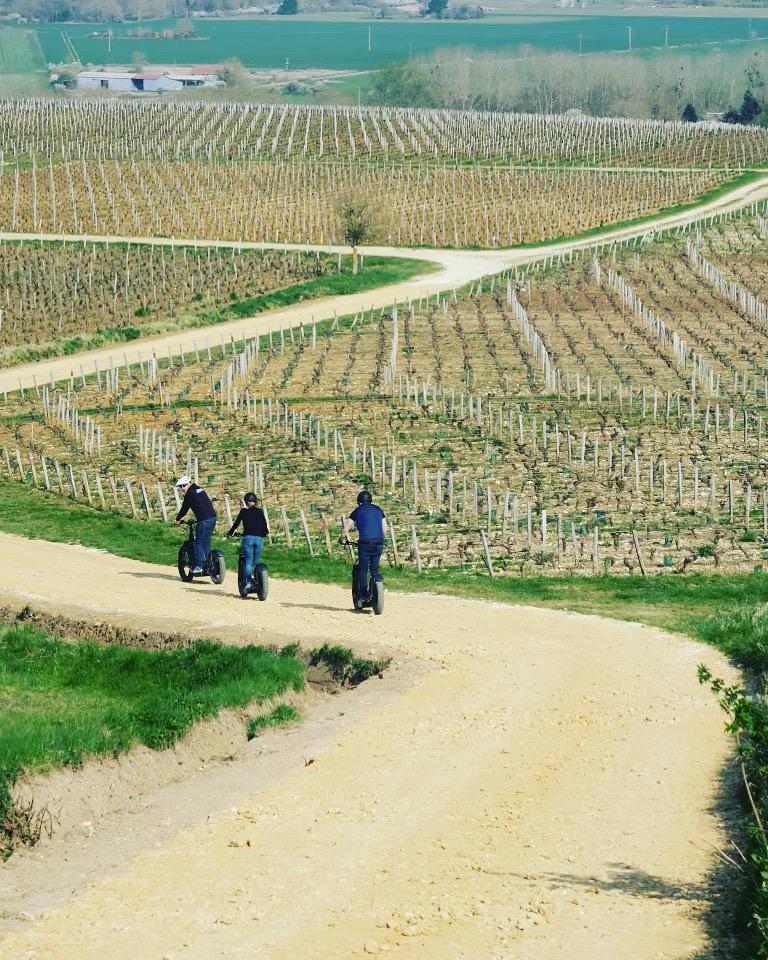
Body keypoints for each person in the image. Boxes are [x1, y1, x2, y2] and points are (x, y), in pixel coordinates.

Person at [341, 490, 387, 601]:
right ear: (370, 500)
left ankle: (364, 594)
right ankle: (376, 579)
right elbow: (385, 529)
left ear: (359, 502)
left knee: (363, 568)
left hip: (365, 544)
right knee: (374, 568)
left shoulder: (357, 511)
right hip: (378, 543)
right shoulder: (379, 510)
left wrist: (341, 539)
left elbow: (346, 529)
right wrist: (380, 539)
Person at [174, 476, 217, 575]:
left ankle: (199, 566)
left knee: (198, 543)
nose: (182, 488)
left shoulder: (190, 494)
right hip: (212, 517)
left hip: (203, 520)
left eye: (183, 486)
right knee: (206, 543)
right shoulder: (200, 490)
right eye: (180, 487)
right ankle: (210, 565)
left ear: (188, 484)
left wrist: (177, 519)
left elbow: (184, 509)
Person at [227, 493, 269, 588]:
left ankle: (249, 582)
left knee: (248, 562)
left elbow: (236, 523)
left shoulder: (243, 512)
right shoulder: (260, 511)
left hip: (248, 538)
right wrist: (264, 533)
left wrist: (230, 532)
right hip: (259, 539)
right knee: (256, 563)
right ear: (255, 501)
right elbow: (264, 525)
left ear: (246, 502)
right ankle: (258, 581)